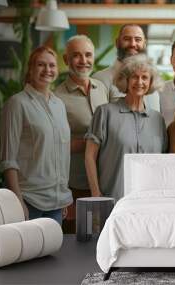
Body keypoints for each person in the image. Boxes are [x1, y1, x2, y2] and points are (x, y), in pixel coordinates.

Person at [0, 46, 72, 225]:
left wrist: (60, 194)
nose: (48, 70)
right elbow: (8, 159)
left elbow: (62, 153)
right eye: (41, 64)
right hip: (29, 201)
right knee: (29, 253)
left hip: (56, 201)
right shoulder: (17, 104)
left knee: (53, 253)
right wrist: (18, 200)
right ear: (30, 69)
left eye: (52, 65)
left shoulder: (59, 105)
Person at [85, 54, 167, 201]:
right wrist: (96, 194)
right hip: (112, 200)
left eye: (145, 77)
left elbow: (162, 162)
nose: (139, 82)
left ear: (151, 82)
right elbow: (90, 156)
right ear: (126, 80)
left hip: (149, 201)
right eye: (134, 77)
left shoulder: (157, 119)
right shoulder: (105, 112)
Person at [55, 35, 109, 233]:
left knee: (100, 239)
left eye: (88, 55)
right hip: (75, 185)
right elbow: (56, 147)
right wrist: (64, 196)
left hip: (103, 181)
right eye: (76, 55)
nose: (83, 60)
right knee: (77, 242)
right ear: (66, 59)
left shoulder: (101, 88)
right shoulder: (58, 97)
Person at [92, 24, 160, 111]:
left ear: (145, 44)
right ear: (117, 43)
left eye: (138, 40)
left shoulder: (153, 81)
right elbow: (100, 120)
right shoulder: (100, 79)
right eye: (127, 39)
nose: (132, 44)